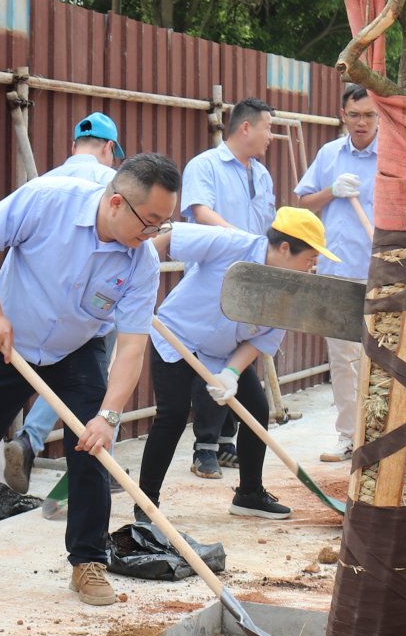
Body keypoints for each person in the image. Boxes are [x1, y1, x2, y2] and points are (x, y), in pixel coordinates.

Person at [0, 155, 181, 606]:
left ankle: (88, 561)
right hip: (10, 337)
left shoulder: (141, 262)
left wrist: (109, 416)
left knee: (92, 445)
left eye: (162, 225)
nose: (152, 235)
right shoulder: (47, 201)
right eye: (150, 223)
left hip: (77, 349)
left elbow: (132, 347)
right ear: (117, 203)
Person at [137, 208, 339, 521]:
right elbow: (171, 236)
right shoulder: (233, 244)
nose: (312, 267)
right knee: (173, 415)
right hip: (177, 337)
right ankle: (146, 506)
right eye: (310, 258)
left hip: (223, 353)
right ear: (285, 248)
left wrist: (231, 373)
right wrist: (138, 272)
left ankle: (249, 494)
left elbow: (260, 341)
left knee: (256, 411)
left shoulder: (291, 290)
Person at [3, 113, 126, 493]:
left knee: (59, 382)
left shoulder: (42, 184)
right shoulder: (114, 186)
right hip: (93, 311)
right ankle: (95, 464)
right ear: (109, 149)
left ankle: (30, 439)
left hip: (32, 313)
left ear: (74, 147)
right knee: (97, 389)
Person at [178, 98, 278, 478]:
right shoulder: (205, 165)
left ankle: (224, 443)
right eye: (267, 127)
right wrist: (243, 243)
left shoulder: (262, 174)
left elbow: (267, 224)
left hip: (253, 280)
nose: (271, 136)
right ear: (246, 128)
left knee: (236, 360)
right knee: (211, 359)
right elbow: (201, 212)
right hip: (214, 279)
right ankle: (204, 446)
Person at [293, 85, 380, 461]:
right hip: (336, 272)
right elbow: (304, 201)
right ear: (343, 115)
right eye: (355, 114)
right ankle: (349, 437)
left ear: (380, 116)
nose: (362, 122)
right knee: (343, 359)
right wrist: (332, 190)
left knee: (379, 357)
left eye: (369, 115)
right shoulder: (330, 154)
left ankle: (379, 436)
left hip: (380, 271)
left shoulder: (392, 157)